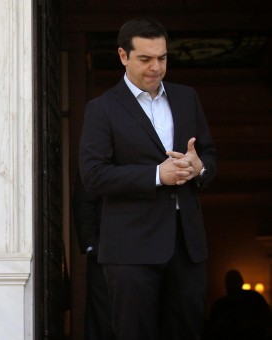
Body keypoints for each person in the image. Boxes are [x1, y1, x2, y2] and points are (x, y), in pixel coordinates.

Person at [78, 18, 217, 340]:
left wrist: (200, 168)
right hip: (130, 248)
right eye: (145, 58)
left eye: (162, 58)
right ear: (123, 56)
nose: (156, 67)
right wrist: (157, 174)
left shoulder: (187, 98)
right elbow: (93, 175)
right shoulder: (102, 109)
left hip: (187, 244)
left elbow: (208, 154)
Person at [72, 175, 115, 340]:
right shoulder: (96, 155)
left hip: (139, 251)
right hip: (102, 252)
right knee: (101, 317)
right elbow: (83, 201)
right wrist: (92, 247)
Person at [205, 270, 272, 340]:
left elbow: (267, 318)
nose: (234, 287)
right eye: (231, 283)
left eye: (235, 282)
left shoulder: (219, 304)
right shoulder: (255, 297)